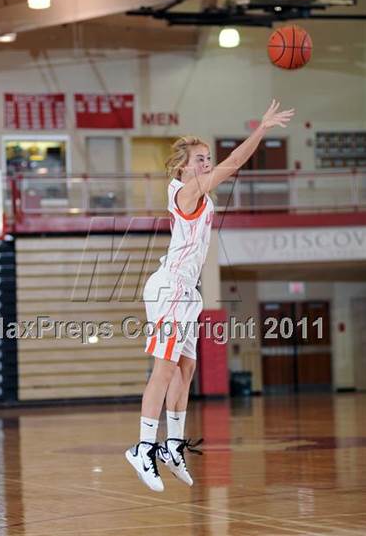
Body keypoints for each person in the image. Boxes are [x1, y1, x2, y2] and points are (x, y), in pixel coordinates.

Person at [125, 100, 295, 491]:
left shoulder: (199, 193)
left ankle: (171, 446)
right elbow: (234, 163)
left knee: (186, 369)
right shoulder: (187, 190)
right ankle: (143, 448)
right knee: (164, 369)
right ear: (184, 166)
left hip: (187, 293)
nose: (206, 162)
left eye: (207, 158)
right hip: (169, 288)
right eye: (200, 158)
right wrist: (263, 128)